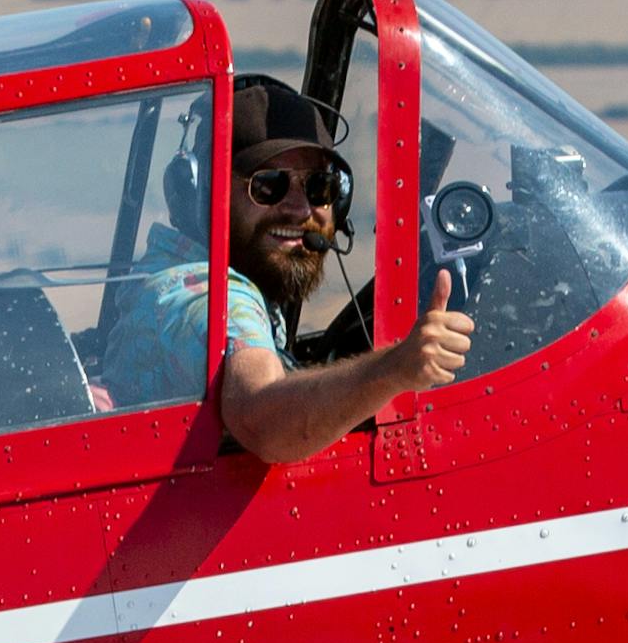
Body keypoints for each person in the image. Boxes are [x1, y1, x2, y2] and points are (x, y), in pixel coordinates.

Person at [103, 74, 473, 463]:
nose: (300, 209)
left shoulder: (177, 268)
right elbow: (261, 419)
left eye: (319, 187)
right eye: (268, 185)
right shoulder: (204, 295)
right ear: (205, 194)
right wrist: (394, 370)